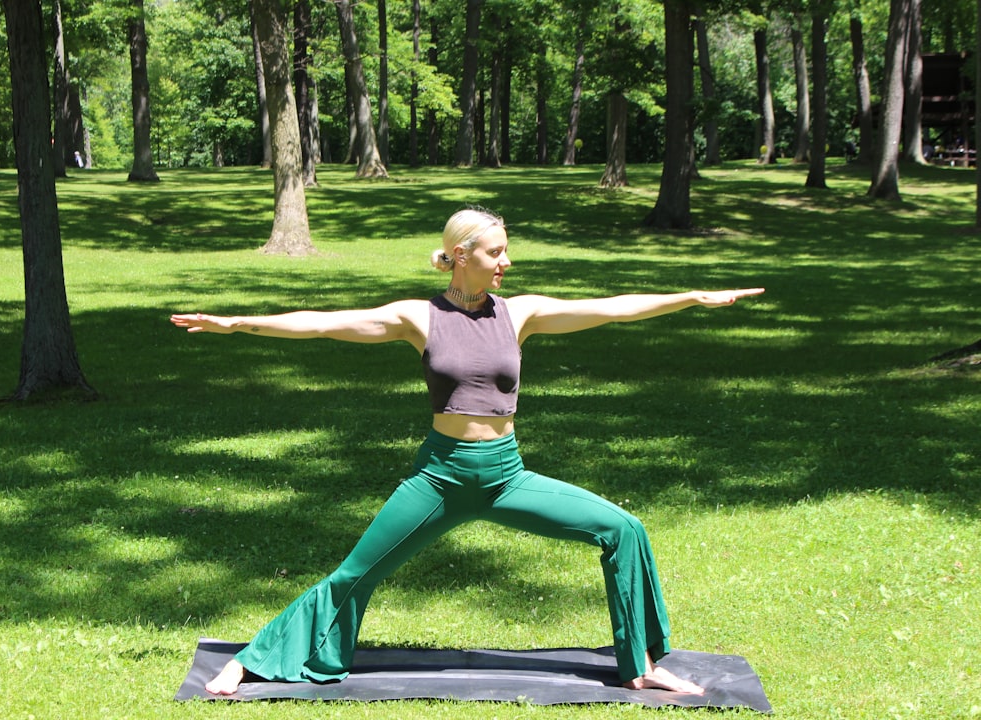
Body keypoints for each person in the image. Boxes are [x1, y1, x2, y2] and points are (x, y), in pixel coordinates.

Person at [170, 208, 764, 697]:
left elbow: (610, 307)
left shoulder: (520, 312)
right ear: (460, 255)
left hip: (508, 475)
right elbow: (326, 323)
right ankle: (252, 660)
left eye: (506, 253)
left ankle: (642, 666)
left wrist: (691, 297)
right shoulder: (418, 317)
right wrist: (239, 324)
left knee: (624, 530)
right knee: (355, 574)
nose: (506, 263)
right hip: (441, 478)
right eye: (495, 253)